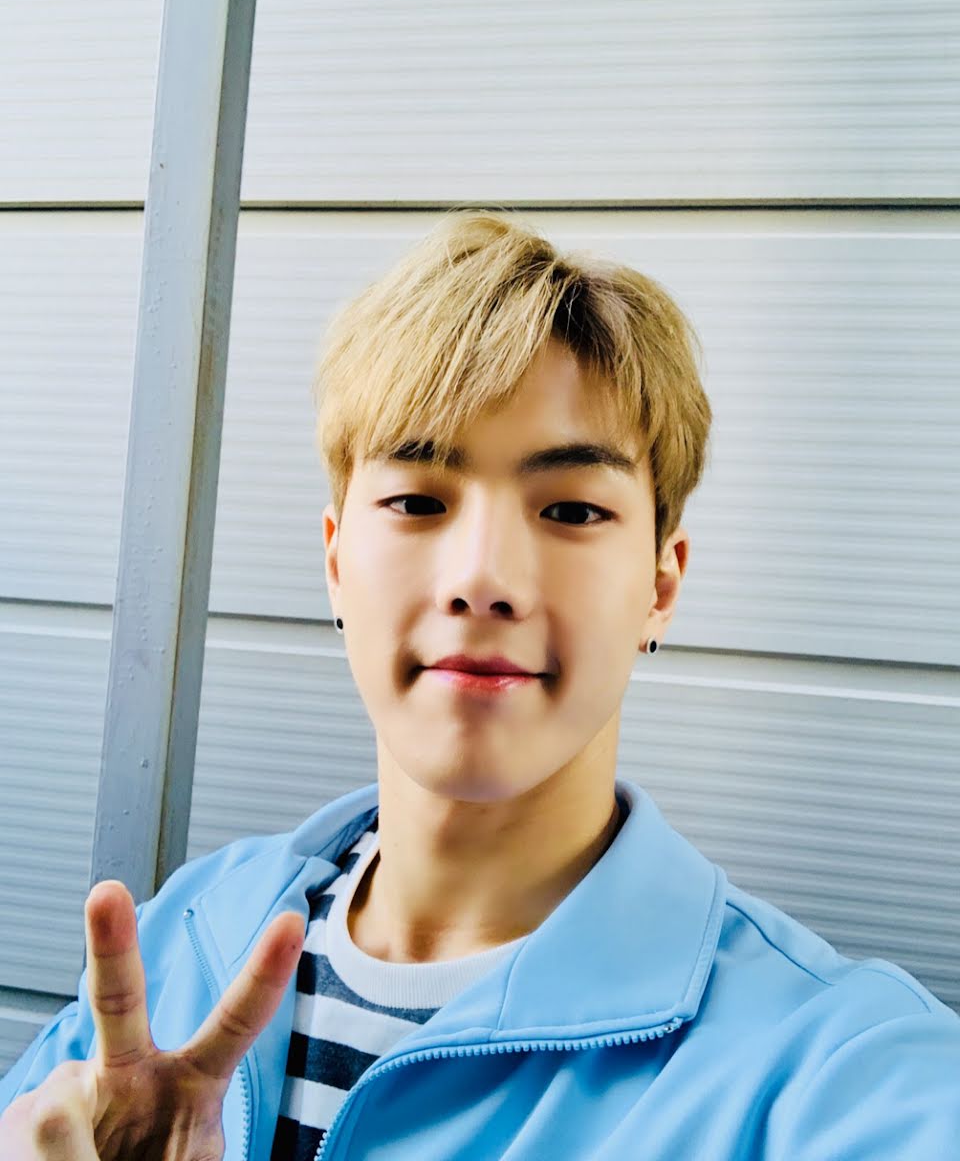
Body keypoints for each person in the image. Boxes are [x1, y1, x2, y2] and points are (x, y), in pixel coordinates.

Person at [1, 210, 958, 1160]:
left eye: (572, 510)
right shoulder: (176, 940)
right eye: (418, 500)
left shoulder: (841, 1072)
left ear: (660, 586)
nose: (483, 578)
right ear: (335, 565)